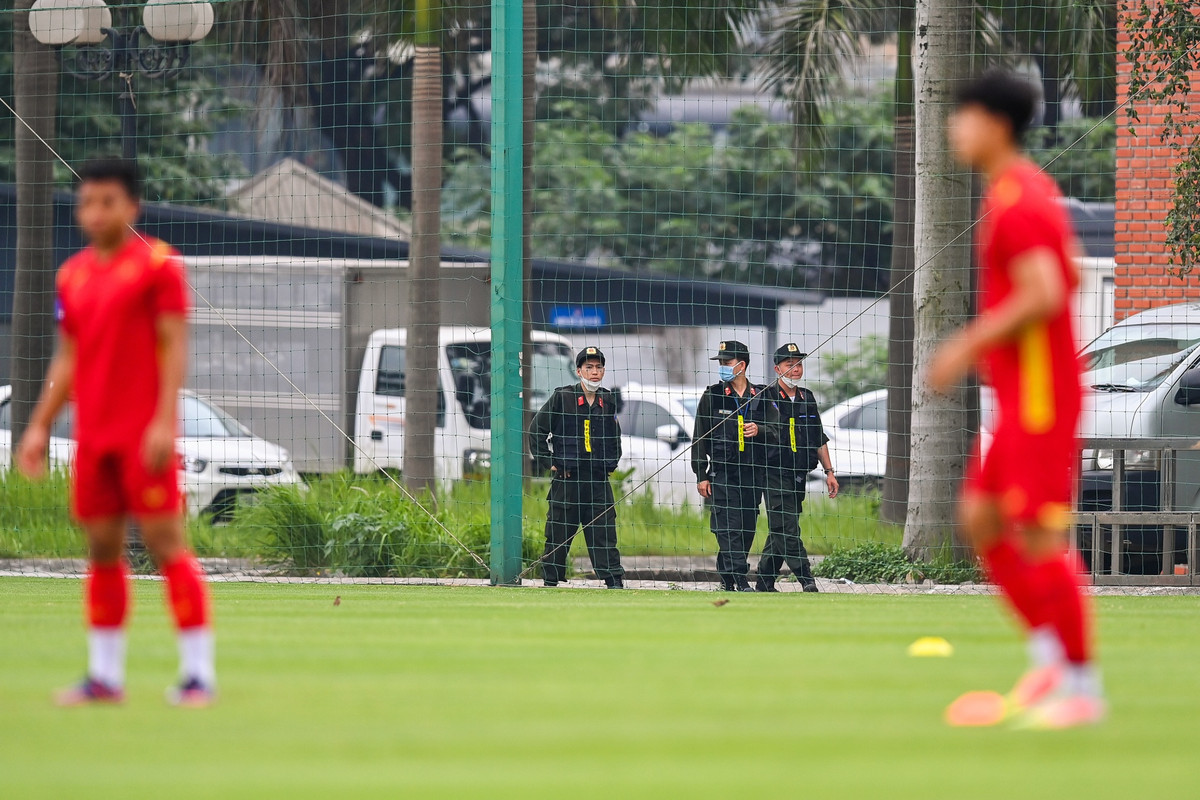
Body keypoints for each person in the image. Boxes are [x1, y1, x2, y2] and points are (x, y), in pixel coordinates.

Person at [930, 71, 1103, 729]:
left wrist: (967, 344)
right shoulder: (1017, 192)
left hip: (1041, 400)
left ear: (993, 124)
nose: (954, 129)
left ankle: (1081, 688)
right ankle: (1051, 662)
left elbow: (1046, 293)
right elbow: (1070, 273)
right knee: (980, 518)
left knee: (1035, 538)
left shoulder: (1021, 199)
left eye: (962, 115)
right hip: (1025, 395)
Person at [16, 157, 215, 707]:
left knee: (165, 543)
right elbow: (69, 359)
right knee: (102, 549)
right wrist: (37, 427)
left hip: (141, 435)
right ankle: (105, 677)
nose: (95, 212)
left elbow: (174, 344)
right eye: (86, 203)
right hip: (94, 438)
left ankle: (198, 674)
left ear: (131, 207)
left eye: (107, 202)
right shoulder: (73, 275)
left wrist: (162, 419)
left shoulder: (158, 264)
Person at [529, 346, 626, 588]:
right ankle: (550, 581)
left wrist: (612, 463)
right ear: (578, 371)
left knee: (604, 534)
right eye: (589, 367)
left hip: (597, 483)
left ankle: (614, 581)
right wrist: (548, 461)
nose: (594, 372)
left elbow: (615, 437)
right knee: (558, 534)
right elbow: (536, 430)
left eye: (599, 367)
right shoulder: (563, 398)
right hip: (567, 480)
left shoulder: (607, 400)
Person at [755, 344, 838, 593]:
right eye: (789, 365)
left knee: (782, 526)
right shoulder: (765, 397)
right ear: (777, 368)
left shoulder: (807, 398)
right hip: (773, 472)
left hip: (799, 474)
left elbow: (818, 438)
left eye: (798, 364)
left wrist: (829, 472)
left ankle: (764, 581)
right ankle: (806, 578)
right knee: (788, 526)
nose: (795, 370)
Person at [692, 340, 766, 592]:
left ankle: (726, 577)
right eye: (721, 362)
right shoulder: (712, 396)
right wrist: (701, 474)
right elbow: (699, 438)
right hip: (722, 473)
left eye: (727, 362)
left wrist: (760, 429)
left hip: (753, 474)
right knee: (727, 527)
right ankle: (741, 578)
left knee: (746, 527)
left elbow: (777, 430)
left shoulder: (762, 395)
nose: (723, 366)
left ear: (742, 365)